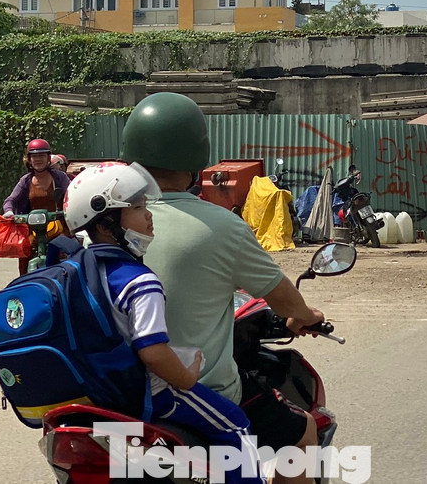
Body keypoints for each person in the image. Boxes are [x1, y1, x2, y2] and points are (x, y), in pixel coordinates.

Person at [121, 92, 326, 484]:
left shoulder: (106, 224)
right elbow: (279, 293)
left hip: (119, 392)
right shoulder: (221, 226)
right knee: (301, 433)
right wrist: (306, 316)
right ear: (198, 161)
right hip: (201, 391)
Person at [64, 162, 264, 484]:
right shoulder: (140, 281)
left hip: (100, 391)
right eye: (138, 207)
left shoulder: (77, 275)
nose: (149, 215)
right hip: (152, 394)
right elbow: (153, 352)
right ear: (105, 224)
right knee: (236, 425)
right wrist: (185, 378)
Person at [3, 138, 72, 277]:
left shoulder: (60, 178)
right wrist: (9, 211)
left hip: (59, 227)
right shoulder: (26, 181)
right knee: (24, 254)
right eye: (34, 156)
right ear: (28, 159)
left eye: (41, 155)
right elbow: (11, 199)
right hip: (33, 230)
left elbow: (73, 193)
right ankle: (26, 285)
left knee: (69, 254)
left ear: (48, 158)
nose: (38, 159)